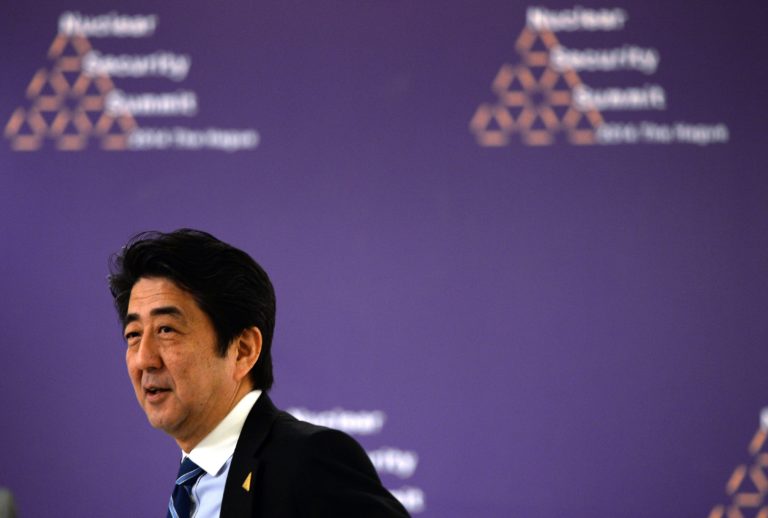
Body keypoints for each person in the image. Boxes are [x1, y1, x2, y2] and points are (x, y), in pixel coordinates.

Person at [108, 229, 409, 518]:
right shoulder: (190, 488)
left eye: (166, 330)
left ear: (243, 350)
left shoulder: (309, 461)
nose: (144, 359)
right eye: (133, 334)